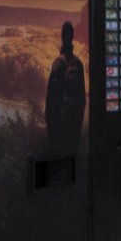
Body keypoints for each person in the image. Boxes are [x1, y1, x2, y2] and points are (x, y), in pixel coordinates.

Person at [43, 20, 85, 157]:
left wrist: (53, 138)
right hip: (74, 132)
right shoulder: (78, 65)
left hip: (60, 135)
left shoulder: (58, 64)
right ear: (72, 36)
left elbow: (50, 105)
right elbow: (82, 102)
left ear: (62, 37)